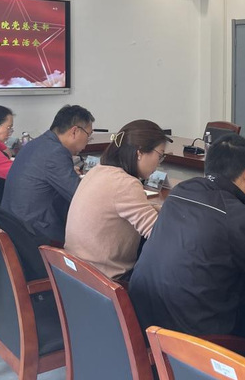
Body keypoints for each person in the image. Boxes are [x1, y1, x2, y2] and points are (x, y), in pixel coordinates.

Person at [130, 133, 245, 336]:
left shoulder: (181, 191)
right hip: (190, 341)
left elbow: (207, 252)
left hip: (142, 323)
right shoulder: (236, 217)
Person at [65, 119, 169, 281]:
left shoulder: (98, 170)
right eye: (160, 155)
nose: (159, 163)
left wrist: (155, 209)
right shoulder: (125, 184)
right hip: (104, 282)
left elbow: (120, 206)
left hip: (75, 274)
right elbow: (159, 234)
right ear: (139, 153)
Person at [1, 105, 94, 243]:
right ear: (74, 131)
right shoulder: (56, 152)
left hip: (14, 224)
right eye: (88, 135)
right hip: (33, 234)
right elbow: (80, 196)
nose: (88, 141)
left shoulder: (37, 143)